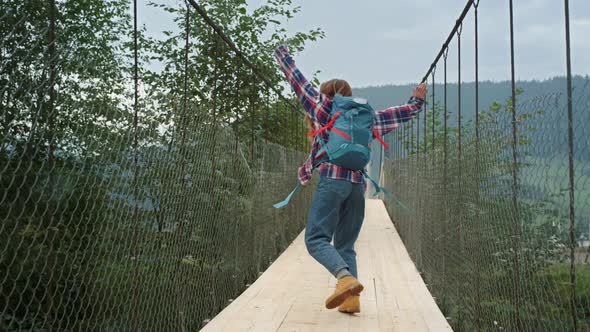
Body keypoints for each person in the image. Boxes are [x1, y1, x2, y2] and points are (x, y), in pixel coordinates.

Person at [273, 45, 427, 314]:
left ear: (325, 93)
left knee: (316, 239)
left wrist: (282, 55)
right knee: (345, 244)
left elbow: (297, 80)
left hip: (332, 182)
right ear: (348, 95)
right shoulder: (365, 118)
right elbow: (398, 115)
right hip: (357, 186)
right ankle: (351, 300)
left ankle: (344, 278)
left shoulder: (322, 108)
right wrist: (416, 101)